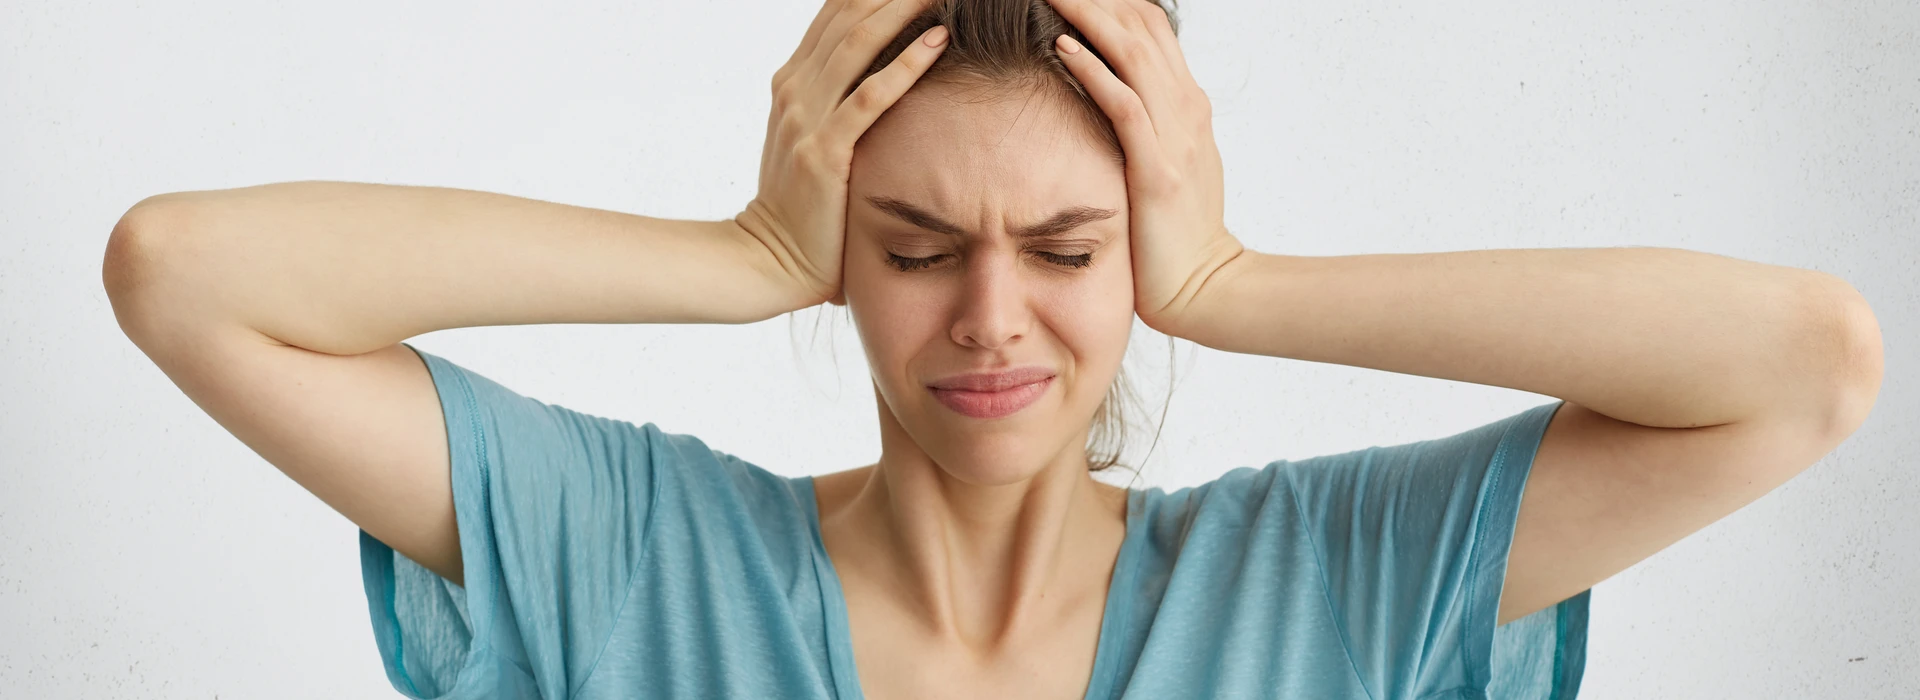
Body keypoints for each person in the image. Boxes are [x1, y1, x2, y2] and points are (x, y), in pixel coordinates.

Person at [101, 0, 1884, 697]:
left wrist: (1241, 280)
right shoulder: (632, 558)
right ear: (841, 263)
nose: (989, 318)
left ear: (1142, 257)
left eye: (1067, 249)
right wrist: (736, 256)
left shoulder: (1335, 582)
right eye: (912, 246)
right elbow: (185, 271)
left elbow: (1803, 363)